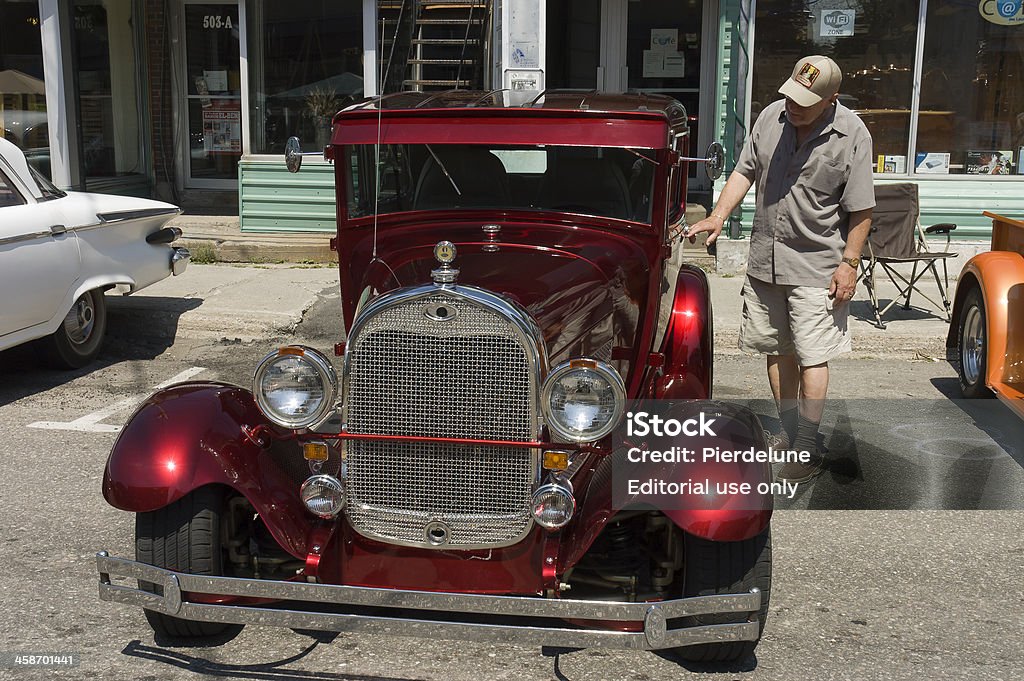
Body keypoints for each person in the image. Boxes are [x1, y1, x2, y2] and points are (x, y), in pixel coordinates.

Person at [686, 55, 875, 483]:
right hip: (765, 260)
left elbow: (862, 210)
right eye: (791, 96)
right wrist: (718, 215)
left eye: (805, 102)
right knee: (776, 348)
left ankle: (806, 445)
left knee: (812, 355)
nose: (793, 106)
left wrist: (850, 264)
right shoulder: (772, 116)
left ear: (832, 100)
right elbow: (743, 171)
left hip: (817, 265)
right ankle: (789, 432)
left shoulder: (852, 135)